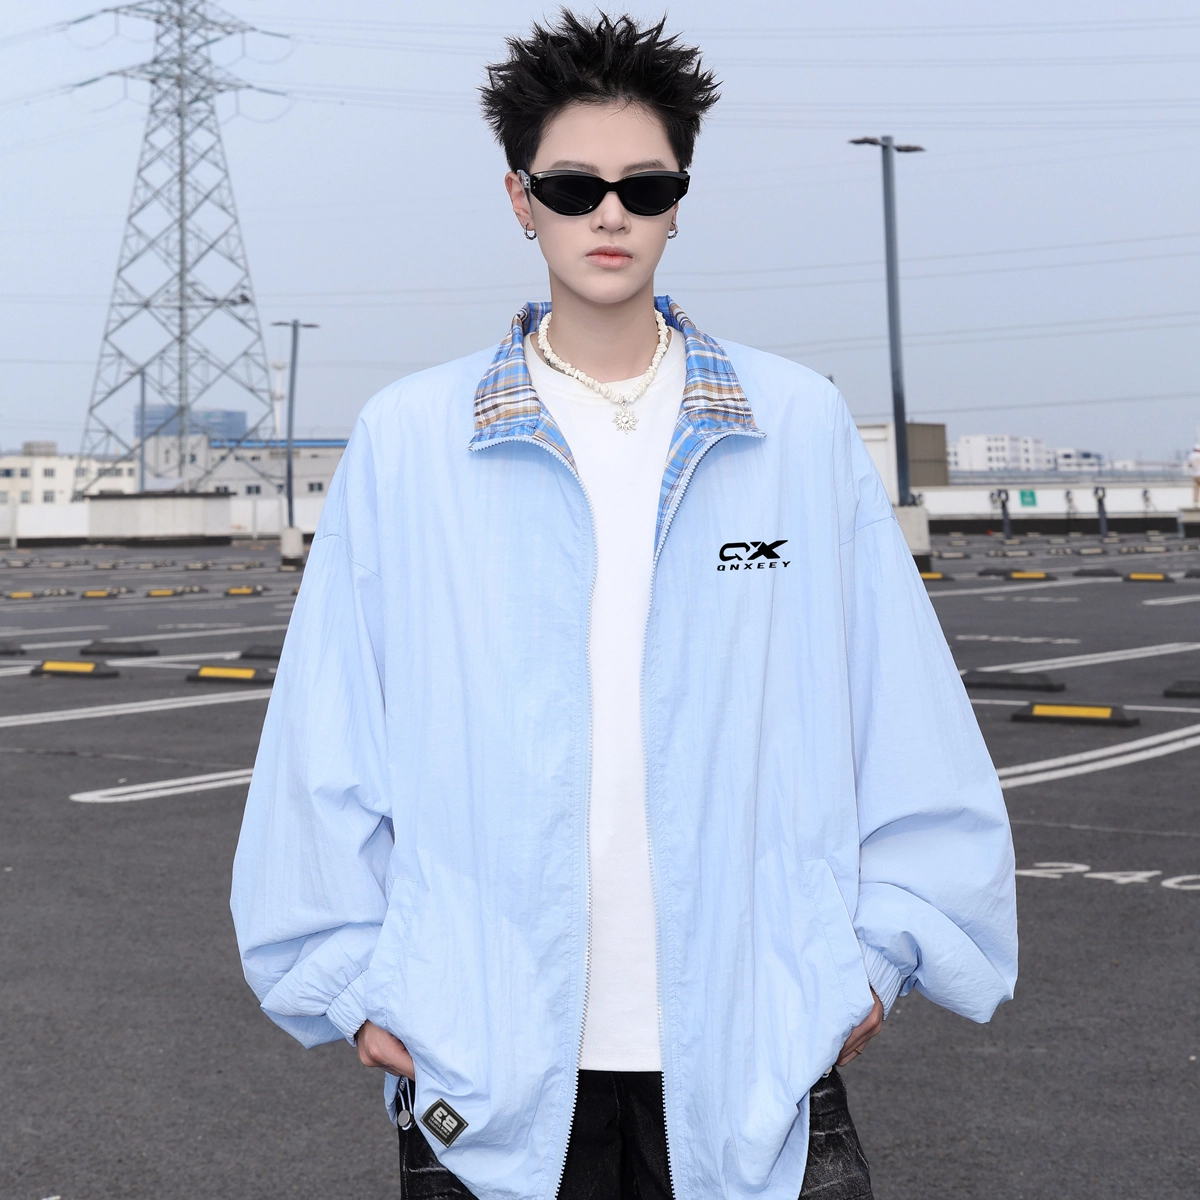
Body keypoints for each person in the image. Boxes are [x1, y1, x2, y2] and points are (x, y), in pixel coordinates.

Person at [230, 13, 1017, 1200]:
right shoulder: (411, 440)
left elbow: (902, 711)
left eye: (644, 187)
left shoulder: (794, 426)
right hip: (480, 1060)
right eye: (573, 186)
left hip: (758, 1058)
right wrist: (349, 977)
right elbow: (326, 735)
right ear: (520, 198)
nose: (610, 215)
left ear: (679, 202)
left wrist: (870, 960)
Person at [1187, 441, 1200, 506]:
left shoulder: (1190, 456)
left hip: (1194, 475)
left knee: (1196, 489)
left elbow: (1189, 465)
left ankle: (1195, 502)